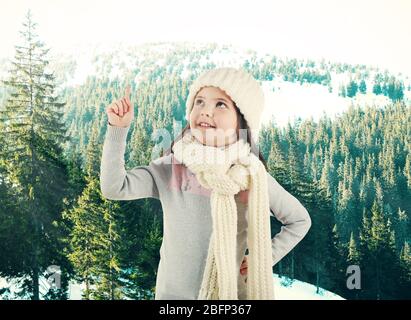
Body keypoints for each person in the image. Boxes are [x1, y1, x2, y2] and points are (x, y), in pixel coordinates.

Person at [100, 67, 311, 300]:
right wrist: (118, 129)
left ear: (243, 120)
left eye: (220, 104)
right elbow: (115, 187)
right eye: (199, 101)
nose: (205, 111)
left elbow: (299, 220)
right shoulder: (171, 168)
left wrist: (263, 258)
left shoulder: (251, 176)